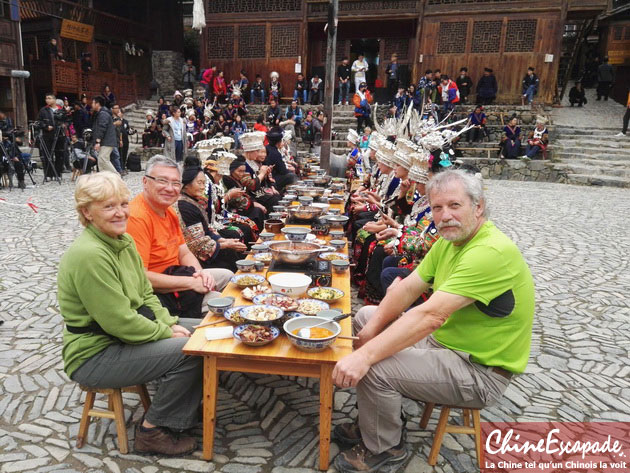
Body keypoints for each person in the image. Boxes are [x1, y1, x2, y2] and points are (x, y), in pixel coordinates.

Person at [332, 169, 535, 473]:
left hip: (479, 370)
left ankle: (385, 447)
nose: (444, 216)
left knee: (375, 367)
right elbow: (409, 288)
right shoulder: (450, 241)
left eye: (455, 206)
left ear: (478, 207)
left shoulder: (489, 251)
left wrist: (364, 355)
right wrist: (370, 334)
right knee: (365, 316)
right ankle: (375, 418)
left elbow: (431, 315)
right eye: (438, 208)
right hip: (447, 345)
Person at [58, 172, 201, 456]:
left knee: (207, 331)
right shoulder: (91, 255)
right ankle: (152, 431)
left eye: (123, 204)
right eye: (109, 206)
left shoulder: (122, 242)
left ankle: (182, 409)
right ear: (87, 212)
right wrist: (166, 332)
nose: (121, 212)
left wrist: (168, 322)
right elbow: (119, 321)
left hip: (120, 338)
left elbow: (146, 294)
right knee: (192, 349)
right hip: (94, 355)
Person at [126, 155, 233, 318]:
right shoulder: (137, 217)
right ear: (145, 182)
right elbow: (141, 277)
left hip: (180, 273)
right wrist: (191, 283)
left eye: (175, 183)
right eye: (162, 181)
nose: (170, 188)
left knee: (228, 276)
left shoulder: (168, 210)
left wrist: (200, 274)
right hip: (162, 291)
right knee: (228, 303)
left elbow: (183, 251)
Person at [175, 165, 246, 272]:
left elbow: (207, 229)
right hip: (195, 257)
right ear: (186, 185)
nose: (203, 187)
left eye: (204, 183)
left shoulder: (193, 200)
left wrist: (224, 241)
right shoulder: (184, 206)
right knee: (228, 260)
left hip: (208, 239)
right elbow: (197, 245)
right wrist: (226, 244)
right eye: (199, 183)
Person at [222, 158, 267, 230]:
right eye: (239, 171)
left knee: (259, 210)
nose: (241, 174)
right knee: (256, 212)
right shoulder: (227, 179)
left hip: (243, 206)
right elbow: (236, 199)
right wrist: (253, 203)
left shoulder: (237, 179)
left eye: (243, 171)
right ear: (232, 170)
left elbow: (245, 193)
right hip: (233, 209)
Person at [91, 95, 119, 174]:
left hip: (107, 140)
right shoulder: (101, 113)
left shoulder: (103, 114)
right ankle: (104, 180)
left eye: (93, 103)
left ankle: (117, 177)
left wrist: (98, 141)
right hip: (105, 140)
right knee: (100, 161)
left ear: (97, 104)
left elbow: (102, 128)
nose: (92, 105)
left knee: (103, 159)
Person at [265, 127, 298, 192]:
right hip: (272, 176)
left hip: (272, 173)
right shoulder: (275, 153)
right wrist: (289, 170)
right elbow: (283, 170)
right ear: (279, 142)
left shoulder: (268, 148)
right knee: (291, 176)